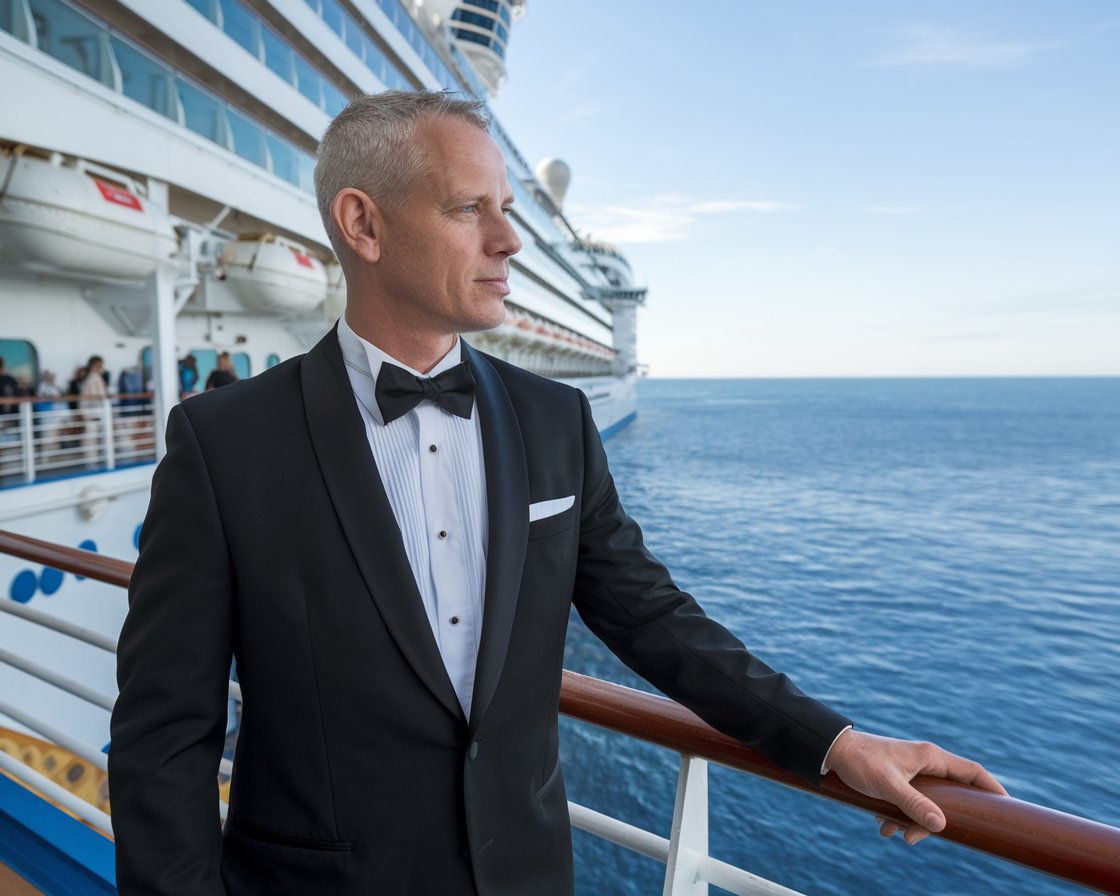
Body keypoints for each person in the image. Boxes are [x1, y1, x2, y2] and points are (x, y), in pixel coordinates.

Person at [109, 91, 1005, 895]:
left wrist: (835, 742)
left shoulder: (554, 419)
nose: (509, 240)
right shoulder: (224, 444)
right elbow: (163, 734)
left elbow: (652, 617)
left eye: (506, 209)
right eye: (471, 210)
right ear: (364, 224)